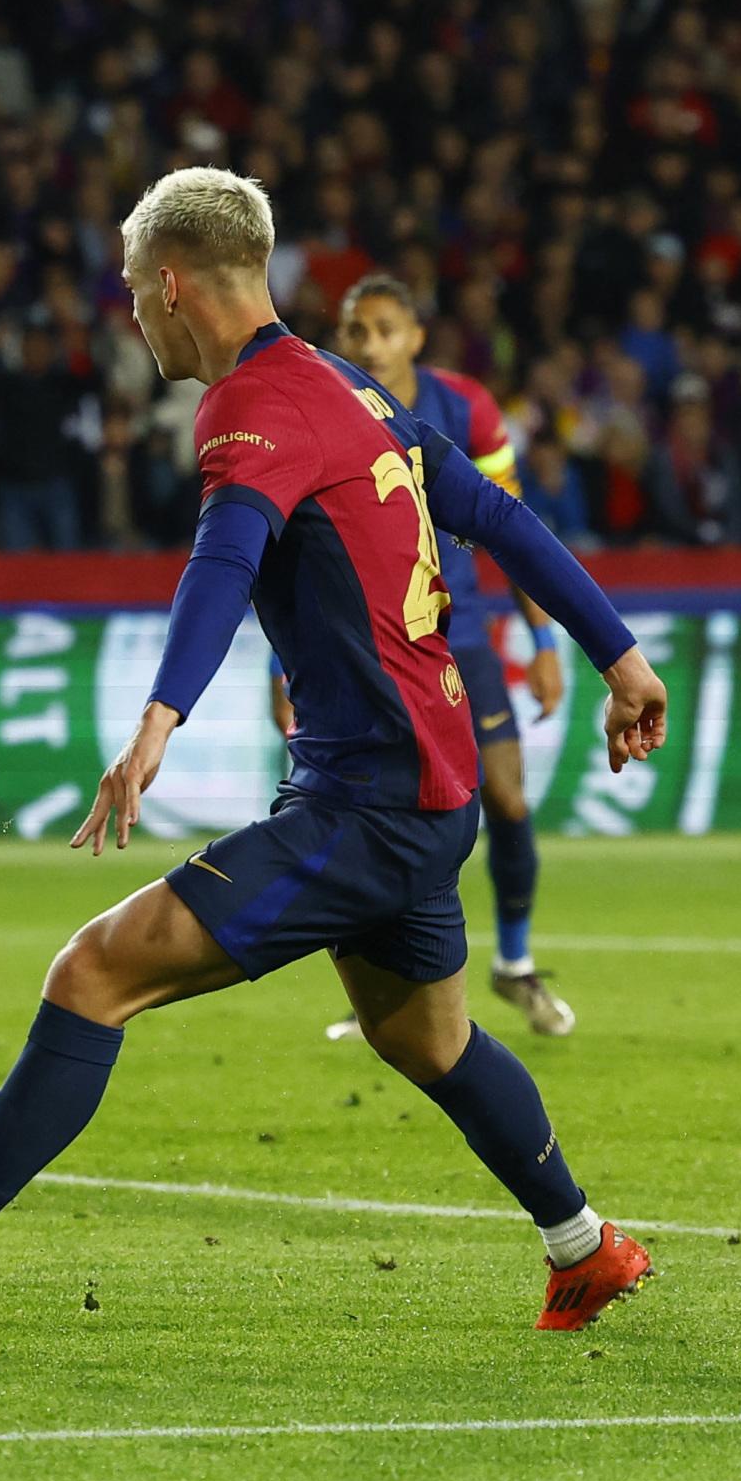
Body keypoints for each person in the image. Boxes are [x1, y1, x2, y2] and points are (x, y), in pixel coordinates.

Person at [0, 168, 668, 1334]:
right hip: (426, 780)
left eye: (131, 292)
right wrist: (621, 656)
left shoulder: (249, 405)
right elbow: (499, 517)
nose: (132, 316)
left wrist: (159, 718)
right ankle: (584, 1244)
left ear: (171, 286)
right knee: (429, 1037)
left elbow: (223, 556)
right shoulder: (352, 389)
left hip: (370, 798)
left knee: (93, 971)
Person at [289, 273, 577, 1041]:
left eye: (385, 328)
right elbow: (290, 548)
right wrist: (279, 667)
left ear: (416, 336)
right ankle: (383, 985)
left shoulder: (467, 408)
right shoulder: (317, 406)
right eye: (356, 330)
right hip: (367, 646)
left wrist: (544, 642)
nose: (369, 343)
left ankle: (513, 964)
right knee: (378, 812)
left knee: (508, 800)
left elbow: (508, 525)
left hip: (462, 636)